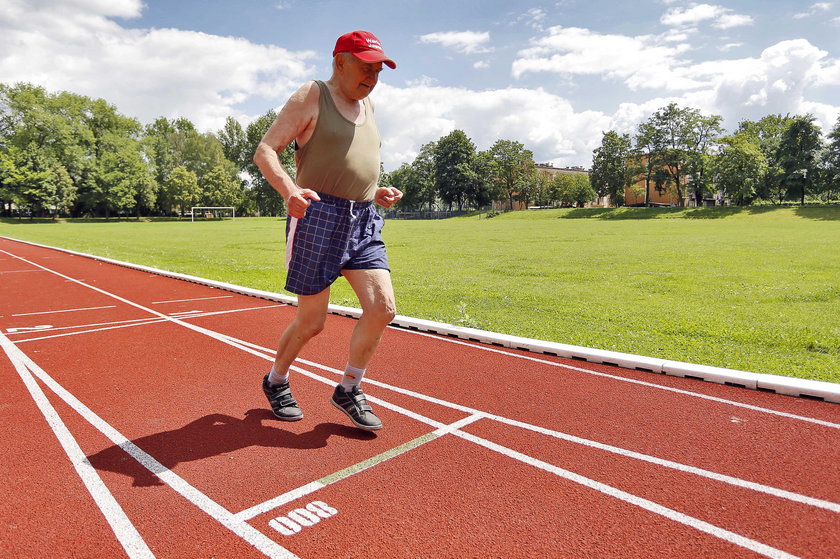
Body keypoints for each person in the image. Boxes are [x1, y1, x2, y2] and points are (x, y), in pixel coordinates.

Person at [253, 30, 402, 431]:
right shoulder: (312, 95)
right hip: (317, 215)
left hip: (363, 219)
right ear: (340, 61)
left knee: (382, 308)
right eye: (365, 66)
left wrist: (377, 191)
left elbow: (357, 162)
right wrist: (289, 191)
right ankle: (276, 379)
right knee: (312, 322)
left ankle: (349, 388)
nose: (372, 76)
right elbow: (266, 149)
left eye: (378, 69)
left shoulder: (368, 105)